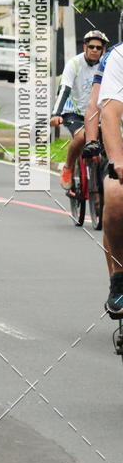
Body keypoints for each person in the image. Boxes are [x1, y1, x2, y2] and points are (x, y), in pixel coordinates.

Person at [50, 30, 108, 190]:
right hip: (73, 112)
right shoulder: (73, 64)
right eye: (91, 47)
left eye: (98, 47)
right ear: (85, 47)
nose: (95, 50)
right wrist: (56, 114)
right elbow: (64, 89)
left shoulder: (106, 65)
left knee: (112, 138)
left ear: (103, 50)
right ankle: (68, 167)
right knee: (83, 136)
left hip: (97, 113)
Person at [95, 44, 123, 315]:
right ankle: (119, 280)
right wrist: (117, 161)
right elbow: (110, 111)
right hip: (122, 149)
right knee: (115, 197)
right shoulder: (118, 57)